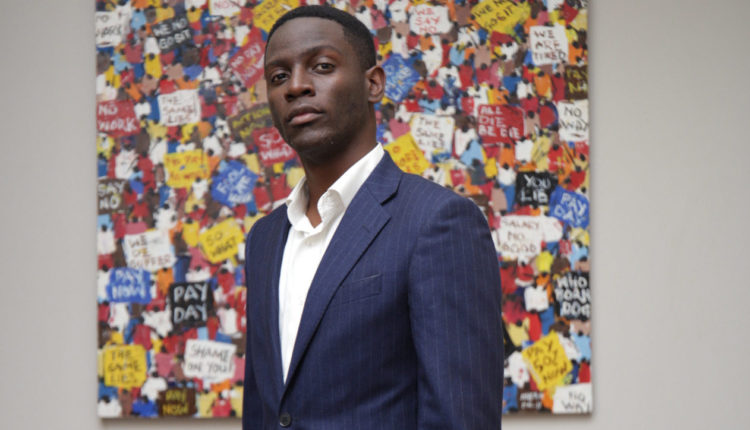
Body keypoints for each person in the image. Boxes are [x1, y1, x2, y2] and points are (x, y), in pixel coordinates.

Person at [243, 6, 503, 429]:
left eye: (322, 66)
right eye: (278, 76)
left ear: (374, 83)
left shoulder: (437, 222)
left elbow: (460, 418)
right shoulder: (264, 239)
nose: (296, 86)